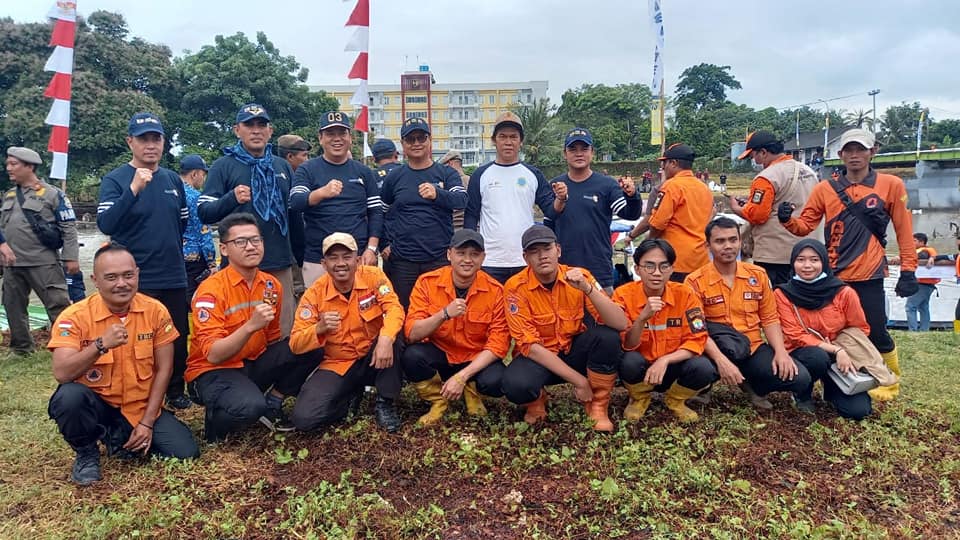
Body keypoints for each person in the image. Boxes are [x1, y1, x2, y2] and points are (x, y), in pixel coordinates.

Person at [780, 128, 917, 402]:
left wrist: (909, 270)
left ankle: (890, 380)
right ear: (840, 154)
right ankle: (842, 378)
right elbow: (806, 225)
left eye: (861, 149)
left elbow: (904, 230)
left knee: (876, 329)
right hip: (834, 275)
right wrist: (787, 220)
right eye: (849, 150)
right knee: (833, 331)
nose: (855, 155)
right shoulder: (825, 188)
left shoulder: (891, 185)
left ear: (872, 151)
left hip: (869, 272)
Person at [47, 243, 198, 486]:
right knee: (69, 397)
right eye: (111, 277)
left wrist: (147, 422)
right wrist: (99, 345)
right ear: (95, 280)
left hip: (140, 406)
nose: (122, 283)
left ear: (137, 274)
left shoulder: (155, 311)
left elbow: (164, 370)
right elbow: (62, 373)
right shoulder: (74, 317)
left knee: (185, 453)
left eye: (128, 275)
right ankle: (86, 453)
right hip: (99, 406)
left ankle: (121, 440)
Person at [185, 214, 318, 441]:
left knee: (312, 343)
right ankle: (216, 424)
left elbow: (274, 339)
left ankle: (273, 401)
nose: (250, 247)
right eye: (241, 242)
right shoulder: (211, 291)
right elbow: (214, 355)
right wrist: (250, 327)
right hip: (212, 371)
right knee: (251, 407)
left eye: (256, 240)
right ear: (224, 249)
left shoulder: (271, 284)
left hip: (251, 363)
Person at [97, 113, 191, 409]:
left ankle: (176, 389)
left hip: (173, 272)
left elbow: (183, 222)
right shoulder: (115, 180)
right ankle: (140, 388)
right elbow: (107, 223)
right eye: (143, 139)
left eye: (156, 139)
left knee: (176, 334)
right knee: (138, 337)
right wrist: (134, 190)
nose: (150, 145)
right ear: (130, 142)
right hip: (135, 277)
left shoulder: (172, 179)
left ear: (163, 143)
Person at [685, 217, 826, 412]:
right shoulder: (694, 281)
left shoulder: (757, 275)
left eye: (733, 240)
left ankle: (753, 385)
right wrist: (721, 361)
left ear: (740, 242)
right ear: (707, 245)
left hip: (752, 347)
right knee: (699, 368)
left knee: (799, 378)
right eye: (720, 241)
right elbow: (697, 329)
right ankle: (704, 387)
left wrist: (780, 352)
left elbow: (769, 318)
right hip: (715, 348)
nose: (728, 246)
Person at [500, 225, 629, 431]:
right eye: (534, 251)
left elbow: (620, 323)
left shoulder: (580, 276)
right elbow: (530, 346)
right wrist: (579, 381)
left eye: (547, 249)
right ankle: (536, 401)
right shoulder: (515, 287)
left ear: (558, 250)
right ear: (525, 258)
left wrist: (588, 290)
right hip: (541, 356)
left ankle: (598, 405)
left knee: (607, 337)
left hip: (573, 350)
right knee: (515, 385)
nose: (542, 256)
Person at [198, 103, 303, 337]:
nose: (256, 131)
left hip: (279, 262)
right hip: (238, 268)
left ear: (270, 131)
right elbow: (204, 212)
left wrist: (299, 256)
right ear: (237, 130)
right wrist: (230, 198)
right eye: (249, 125)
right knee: (242, 331)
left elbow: (294, 215)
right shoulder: (223, 166)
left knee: (283, 331)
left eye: (261, 125)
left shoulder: (282, 165)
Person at [289, 233, 405, 433]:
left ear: (358, 260)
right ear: (324, 264)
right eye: (333, 258)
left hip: (373, 355)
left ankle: (385, 402)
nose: (340, 263)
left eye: (347, 256)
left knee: (394, 337)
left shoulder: (374, 276)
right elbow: (295, 343)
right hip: (338, 363)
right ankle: (349, 396)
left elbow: (395, 308)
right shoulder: (314, 294)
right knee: (304, 419)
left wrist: (385, 339)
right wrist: (318, 329)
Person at [402, 229, 509, 424]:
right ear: (449, 254)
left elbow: (498, 344)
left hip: (475, 360)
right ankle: (438, 400)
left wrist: (462, 377)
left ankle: (471, 391)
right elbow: (412, 333)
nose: (468, 260)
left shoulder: (496, 291)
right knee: (412, 356)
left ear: (483, 258)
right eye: (461, 253)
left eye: (474, 254)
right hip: (441, 356)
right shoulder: (427, 283)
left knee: (497, 380)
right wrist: (443, 314)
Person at [612, 239, 716, 422]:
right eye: (649, 266)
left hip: (673, 367)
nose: (657, 273)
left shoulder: (685, 294)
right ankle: (639, 398)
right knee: (629, 361)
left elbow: (698, 339)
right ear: (637, 269)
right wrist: (642, 318)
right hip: (641, 369)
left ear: (672, 268)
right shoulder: (622, 295)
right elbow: (626, 344)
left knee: (704, 368)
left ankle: (676, 400)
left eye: (663, 266)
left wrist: (665, 360)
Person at [774, 239, 876, 420]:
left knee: (857, 411)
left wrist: (841, 348)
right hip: (803, 353)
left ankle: (832, 388)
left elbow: (860, 328)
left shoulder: (844, 292)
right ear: (792, 262)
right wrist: (834, 349)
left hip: (842, 355)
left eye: (814, 260)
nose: (807, 266)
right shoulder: (782, 294)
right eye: (800, 260)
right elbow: (794, 334)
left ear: (824, 262)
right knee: (817, 357)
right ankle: (802, 393)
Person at [380, 117, 467, 308]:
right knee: (403, 311)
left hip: (439, 257)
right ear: (403, 144)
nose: (417, 143)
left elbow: (461, 201)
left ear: (429, 140)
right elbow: (381, 212)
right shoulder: (394, 177)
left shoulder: (446, 173)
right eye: (411, 139)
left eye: (421, 138)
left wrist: (438, 194)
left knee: (440, 311)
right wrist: (384, 243)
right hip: (403, 260)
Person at [1, 146, 79, 355]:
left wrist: (70, 258)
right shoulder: (9, 196)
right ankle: (21, 348)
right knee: (13, 307)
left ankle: (66, 345)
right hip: (12, 263)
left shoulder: (53, 194)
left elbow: (68, 227)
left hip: (43, 262)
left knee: (58, 305)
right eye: (8, 163)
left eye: (13, 164)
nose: (8, 168)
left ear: (29, 166)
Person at [289, 112, 381, 286]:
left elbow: (376, 212)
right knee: (318, 311)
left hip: (358, 256)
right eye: (330, 134)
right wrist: (321, 192)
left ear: (350, 137)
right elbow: (295, 202)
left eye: (342, 133)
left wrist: (371, 248)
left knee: (363, 310)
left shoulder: (364, 172)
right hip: (319, 258)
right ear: (321, 138)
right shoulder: (307, 169)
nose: (337, 139)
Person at [463, 112, 555, 284]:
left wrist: (562, 199)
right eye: (502, 136)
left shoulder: (533, 174)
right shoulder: (480, 175)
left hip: (526, 258)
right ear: (494, 140)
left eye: (513, 137)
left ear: (521, 141)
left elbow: (551, 209)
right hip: (490, 260)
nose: (508, 142)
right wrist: (472, 250)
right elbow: (471, 215)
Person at [546, 128, 641, 292]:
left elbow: (630, 214)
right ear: (565, 153)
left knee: (602, 317)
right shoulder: (556, 185)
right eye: (573, 149)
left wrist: (632, 195)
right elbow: (548, 224)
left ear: (592, 152)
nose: (579, 154)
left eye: (584, 149)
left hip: (598, 269)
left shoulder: (606, 185)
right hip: (563, 270)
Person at [728, 131, 822, 286]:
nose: (754, 160)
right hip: (809, 252)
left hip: (774, 255)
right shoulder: (809, 171)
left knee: (775, 302)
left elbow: (758, 216)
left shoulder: (766, 177)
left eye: (753, 156)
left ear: (763, 152)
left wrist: (737, 209)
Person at [629, 143, 714, 283]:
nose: (663, 168)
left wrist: (648, 243)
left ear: (673, 163)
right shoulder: (703, 188)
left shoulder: (671, 186)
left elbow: (657, 224)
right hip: (701, 258)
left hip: (676, 259)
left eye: (664, 163)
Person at [277, 134, 312, 300]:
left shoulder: (304, 178)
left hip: (303, 252)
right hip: (290, 254)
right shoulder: (280, 180)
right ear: (290, 156)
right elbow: (293, 220)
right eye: (304, 155)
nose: (308, 159)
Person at [179, 154, 217, 304]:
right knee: (196, 300)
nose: (203, 179)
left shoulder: (171, 193)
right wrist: (212, 263)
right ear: (194, 174)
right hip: (195, 260)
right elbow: (203, 232)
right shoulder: (195, 197)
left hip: (175, 256)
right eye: (203, 174)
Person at [905, 232, 938, 331]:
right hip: (928, 284)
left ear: (922, 242)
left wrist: (900, 258)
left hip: (922, 284)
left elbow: (921, 255)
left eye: (914, 241)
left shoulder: (924, 251)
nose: (912, 242)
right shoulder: (927, 251)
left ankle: (913, 331)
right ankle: (924, 329)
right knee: (923, 307)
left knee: (910, 306)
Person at [439, 149, 470, 230]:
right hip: (472, 229)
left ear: (450, 163)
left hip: (452, 228)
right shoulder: (472, 180)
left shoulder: (445, 184)